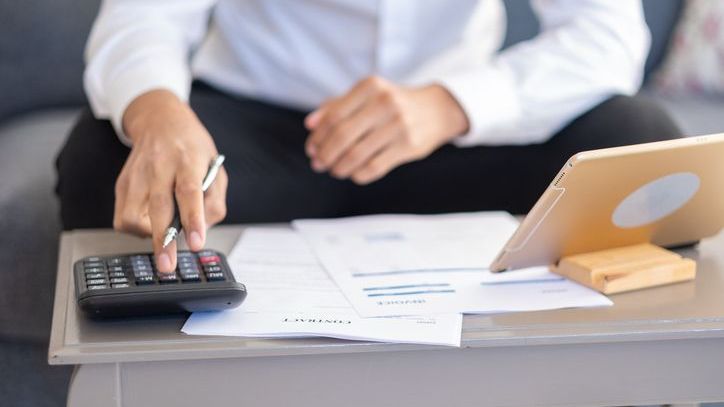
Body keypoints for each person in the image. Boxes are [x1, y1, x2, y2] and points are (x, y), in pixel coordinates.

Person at [56, 0, 681, 273]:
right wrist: (160, 115)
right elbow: (144, 16)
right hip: (262, 134)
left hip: (450, 135)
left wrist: (449, 106)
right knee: (104, 159)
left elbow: (606, 35)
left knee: (637, 145)